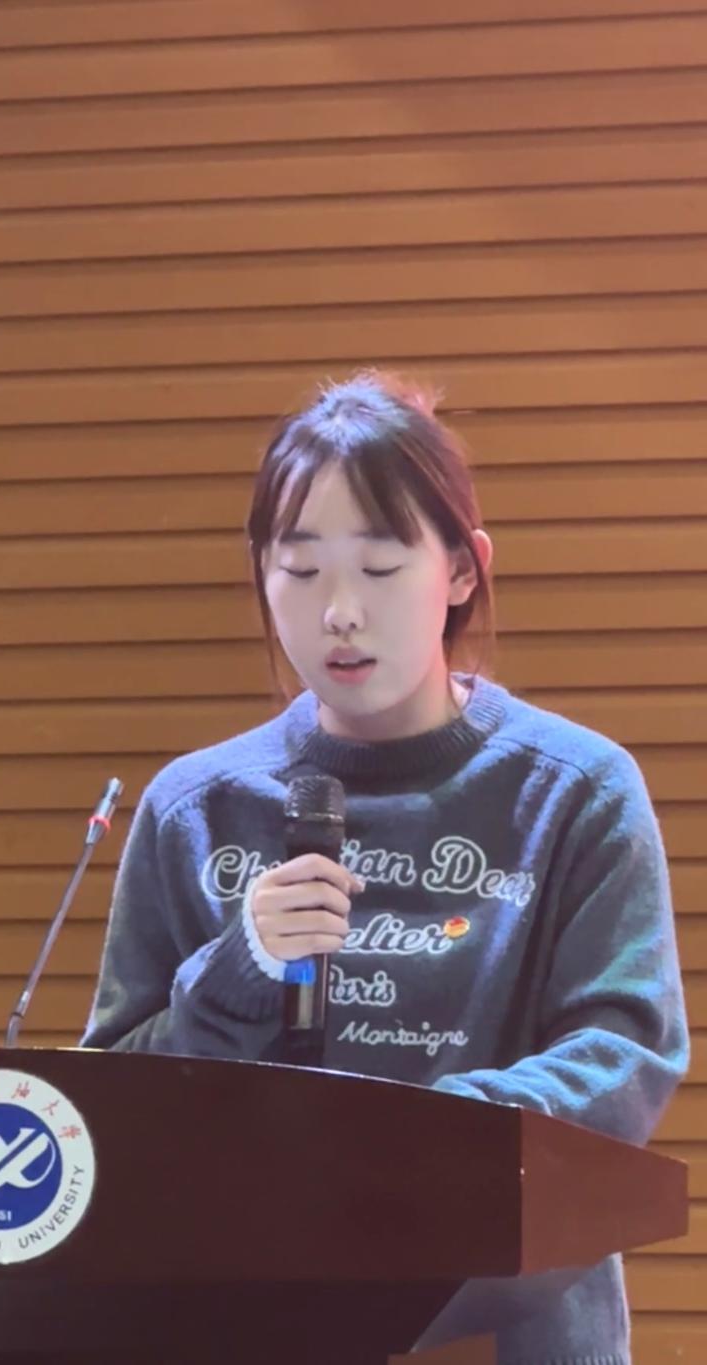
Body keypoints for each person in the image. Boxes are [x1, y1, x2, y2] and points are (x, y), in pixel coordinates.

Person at [80, 369, 689, 1364]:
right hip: (244, 1327)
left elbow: (625, 1058)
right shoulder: (194, 808)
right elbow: (109, 1105)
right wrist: (236, 970)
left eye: (378, 566)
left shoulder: (575, 792)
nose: (339, 613)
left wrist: (411, 1139)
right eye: (300, 567)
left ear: (462, 570)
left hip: (512, 1333)